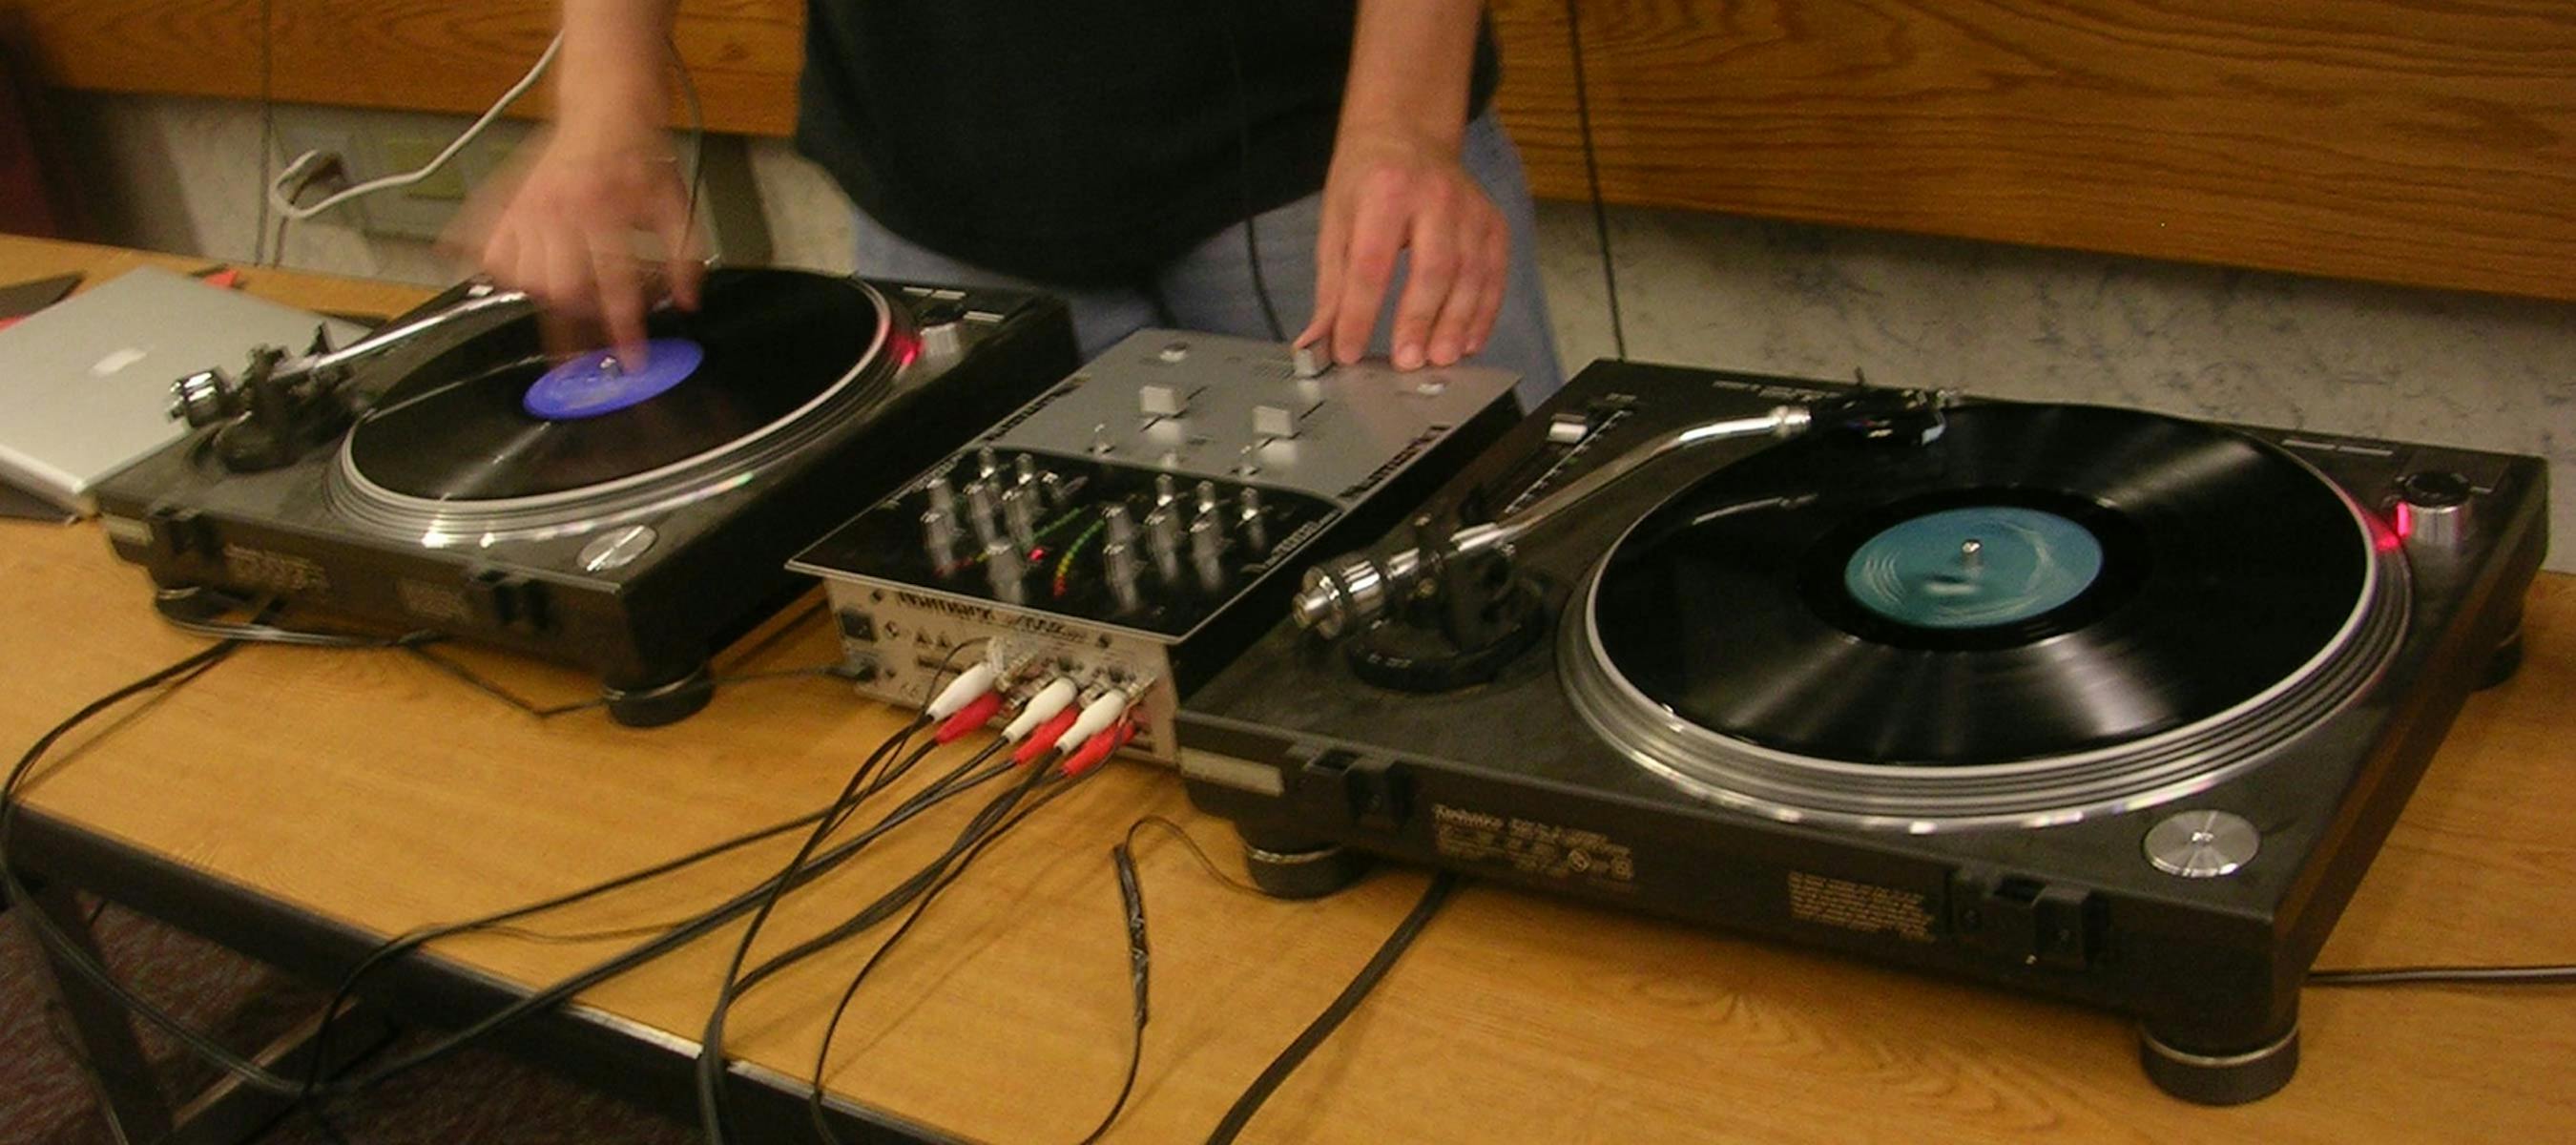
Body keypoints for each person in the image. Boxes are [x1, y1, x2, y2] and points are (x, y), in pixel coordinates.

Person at [469, 1, 1563, 406]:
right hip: (935, 169)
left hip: (1325, 163)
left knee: (1477, 631)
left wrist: (1407, 123)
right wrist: (606, 107)